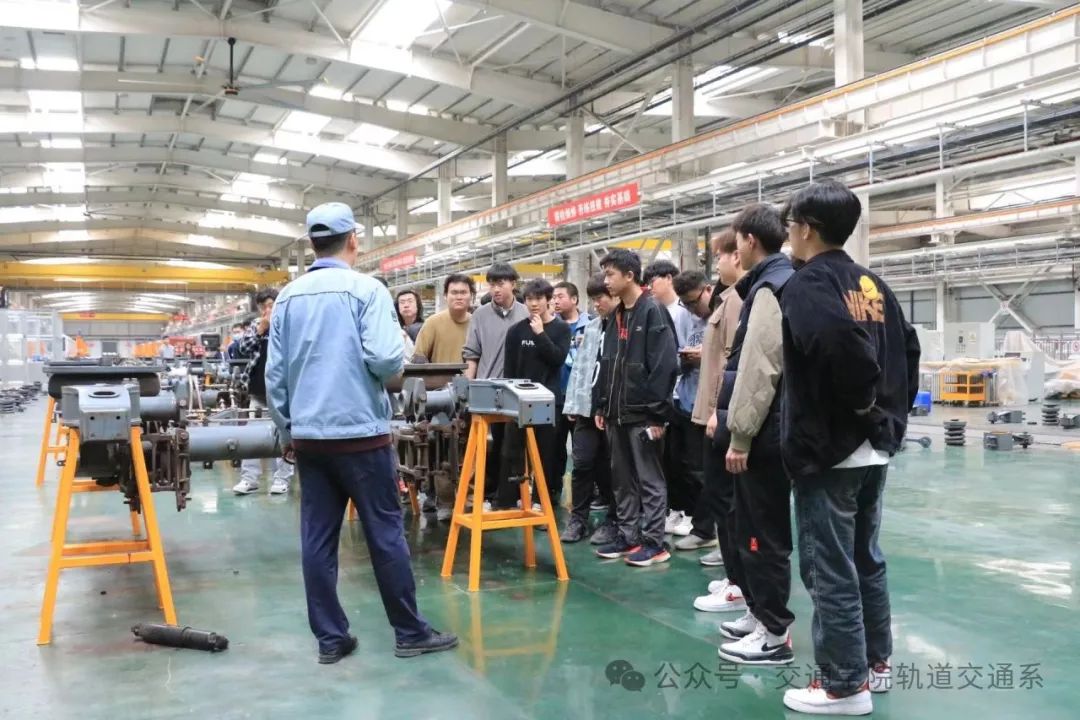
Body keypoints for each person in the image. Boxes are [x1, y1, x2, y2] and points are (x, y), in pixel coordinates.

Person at [265, 201, 457, 664]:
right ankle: (409, 632)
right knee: (385, 533)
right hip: (362, 437)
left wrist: (289, 429)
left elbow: (275, 377)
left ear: (313, 244)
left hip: (310, 439)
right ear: (354, 239)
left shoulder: (288, 298)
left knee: (317, 539)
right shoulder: (366, 290)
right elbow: (388, 360)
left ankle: (331, 639)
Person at [778, 181, 920, 716]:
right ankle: (876, 663)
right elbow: (908, 349)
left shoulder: (808, 284)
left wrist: (863, 407)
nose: (790, 233)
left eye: (791, 224)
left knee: (829, 567)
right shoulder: (873, 284)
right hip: (873, 448)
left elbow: (843, 346)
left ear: (806, 228)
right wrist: (887, 417)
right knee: (866, 560)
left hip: (831, 450)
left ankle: (843, 685)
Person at [715, 204, 796, 667]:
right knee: (751, 527)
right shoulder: (774, 282)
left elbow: (760, 367)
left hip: (765, 434)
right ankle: (759, 613)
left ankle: (774, 632)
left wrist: (741, 435)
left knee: (762, 533)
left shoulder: (770, 287)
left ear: (749, 241)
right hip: (770, 429)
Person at [592, 249, 678, 567]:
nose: (606, 280)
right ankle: (629, 536)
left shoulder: (653, 311)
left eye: (610, 274)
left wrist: (657, 415)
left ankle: (655, 542)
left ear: (630, 276)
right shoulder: (616, 315)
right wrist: (602, 405)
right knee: (622, 479)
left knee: (649, 480)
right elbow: (607, 363)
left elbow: (665, 365)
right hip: (616, 412)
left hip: (643, 414)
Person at [690, 231, 750, 612]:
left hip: (721, 417)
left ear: (737, 255)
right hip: (713, 414)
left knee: (728, 503)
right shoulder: (726, 299)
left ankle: (739, 585)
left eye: (719, 256)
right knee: (719, 499)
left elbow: (733, 364)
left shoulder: (739, 301)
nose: (715, 264)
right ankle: (733, 577)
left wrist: (719, 411)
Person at [498, 279, 571, 510]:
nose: (533, 303)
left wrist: (540, 334)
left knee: (545, 453)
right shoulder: (516, 331)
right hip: (518, 401)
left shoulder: (561, 329)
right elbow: (509, 370)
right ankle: (508, 500)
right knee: (512, 451)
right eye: (529, 299)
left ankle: (541, 500)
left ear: (548, 300)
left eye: (538, 299)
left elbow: (557, 359)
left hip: (548, 402)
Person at [462, 263, 529, 509]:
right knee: (489, 446)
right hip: (488, 391)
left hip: (518, 391)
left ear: (513, 284)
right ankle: (488, 495)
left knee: (515, 447)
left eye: (501, 283)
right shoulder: (480, 315)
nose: (496, 289)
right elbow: (472, 354)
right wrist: (469, 386)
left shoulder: (526, 313)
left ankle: (512, 496)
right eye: (492, 284)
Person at [560, 274, 618, 544]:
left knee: (612, 468)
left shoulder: (625, 326)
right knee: (582, 463)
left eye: (600, 298)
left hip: (613, 411)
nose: (596, 304)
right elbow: (581, 367)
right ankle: (578, 520)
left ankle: (613, 520)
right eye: (593, 299)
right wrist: (574, 401)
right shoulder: (593, 327)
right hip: (587, 408)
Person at [643, 259, 697, 537]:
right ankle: (675, 508)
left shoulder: (683, 312)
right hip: (666, 396)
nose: (650, 287)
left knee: (688, 461)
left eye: (653, 281)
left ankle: (691, 513)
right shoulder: (655, 312)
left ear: (668, 278)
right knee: (670, 460)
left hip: (684, 395)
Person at [232, 288, 295, 496]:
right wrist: (261, 329)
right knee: (252, 436)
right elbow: (242, 349)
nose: (267, 310)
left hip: (284, 393)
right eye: (263, 307)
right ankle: (249, 479)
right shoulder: (256, 325)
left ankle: (282, 478)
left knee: (285, 434)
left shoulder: (289, 323)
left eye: (271, 305)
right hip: (258, 392)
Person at [669, 269, 713, 552]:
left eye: (694, 302)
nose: (691, 309)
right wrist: (685, 360)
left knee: (708, 471)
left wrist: (706, 357)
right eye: (684, 304)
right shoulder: (683, 316)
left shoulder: (724, 312)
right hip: (687, 402)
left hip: (713, 406)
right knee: (688, 467)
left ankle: (707, 528)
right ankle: (699, 522)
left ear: (708, 290)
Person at [553, 281, 591, 506]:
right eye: (554, 297)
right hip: (557, 397)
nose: (555, 301)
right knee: (555, 448)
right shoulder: (550, 326)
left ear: (574, 299)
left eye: (560, 296)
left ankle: (585, 495)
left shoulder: (591, 325)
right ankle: (553, 490)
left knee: (582, 451)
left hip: (581, 398)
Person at [412, 274, 475, 365]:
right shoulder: (432, 323)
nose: (459, 297)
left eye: (463, 292)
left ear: (471, 295)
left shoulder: (476, 323)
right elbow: (418, 357)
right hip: (439, 374)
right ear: (445, 295)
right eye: (454, 293)